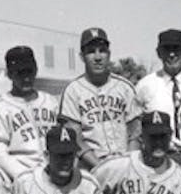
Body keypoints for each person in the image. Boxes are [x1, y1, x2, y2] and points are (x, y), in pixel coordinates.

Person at [59, 27, 140, 169]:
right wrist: (102, 167)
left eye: (102, 50)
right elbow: (75, 139)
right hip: (92, 166)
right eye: (91, 52)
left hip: (126, 162)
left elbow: (135, 133)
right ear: (82, 56)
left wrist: (130, 164)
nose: (97, 57)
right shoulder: (72, 91)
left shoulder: (125, 87)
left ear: (108, 54)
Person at [135, 28, 181, 167]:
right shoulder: (145, 86)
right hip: (162, 158)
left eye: (176, 48)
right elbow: (137, 129)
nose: (171, 54)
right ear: (158, 52)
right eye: (166, 49)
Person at [0, 45, 60, 180]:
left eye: (29, 72)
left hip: (55, 175)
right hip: (20, 178)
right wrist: (26, 178)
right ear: (9, 74)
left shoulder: (51, 102)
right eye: (20, 73)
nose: (26, 78)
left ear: (36, 70)